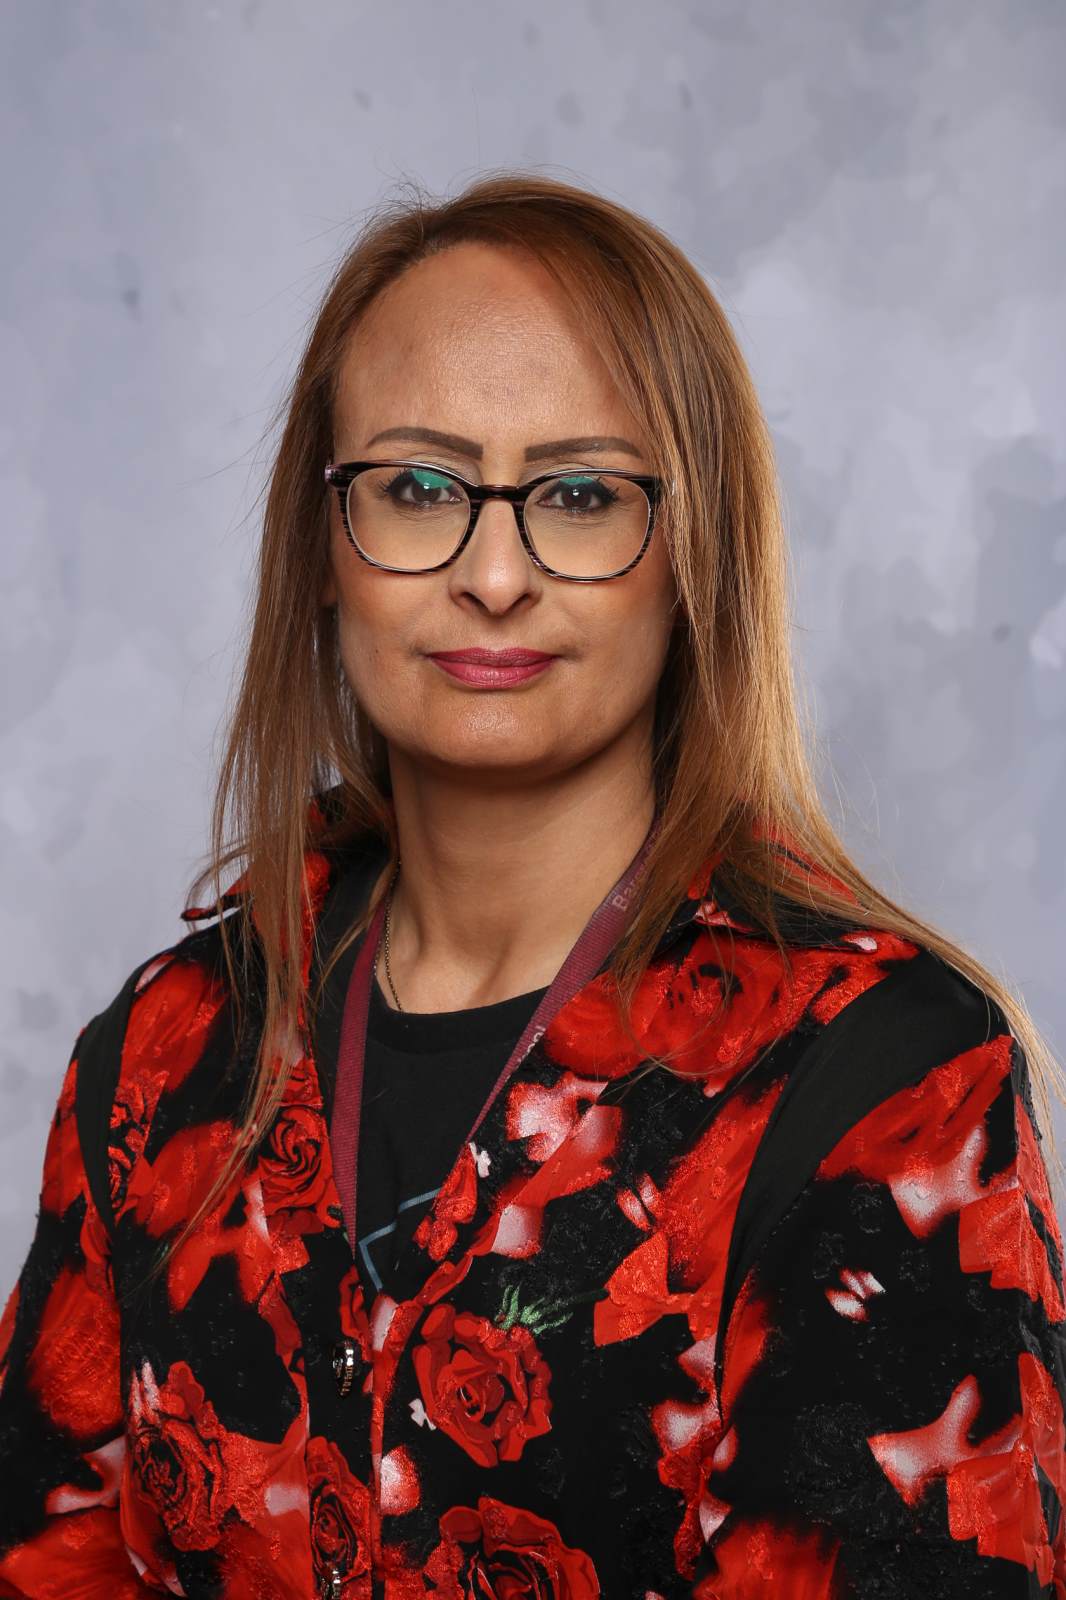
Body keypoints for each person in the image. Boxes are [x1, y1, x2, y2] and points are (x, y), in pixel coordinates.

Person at [1, 173, 1064, 1600]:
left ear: (694, 551)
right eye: (417, 486)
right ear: (322, 546)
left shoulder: (883, 1077)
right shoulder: (163, 1056)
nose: (494, 576)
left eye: (578, 494)